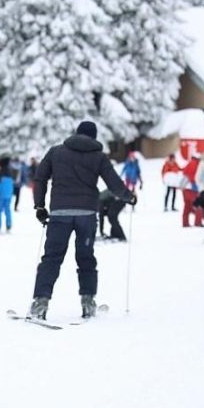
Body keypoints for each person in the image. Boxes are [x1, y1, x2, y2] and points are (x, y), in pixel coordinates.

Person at [29, 121, 134, 320]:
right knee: (86, 257)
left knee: (51, 258)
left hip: (60, 213)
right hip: (86, 214)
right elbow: (113, 182)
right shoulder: (99, 157)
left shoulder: (56, 152)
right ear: (94, 137)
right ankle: (88, 303)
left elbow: (40, 178)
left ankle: (41, 303)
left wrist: (40, 206)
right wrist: (129, 197)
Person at [180, 152, 204, 228]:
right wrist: (195, 184)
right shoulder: (195, 164)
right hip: (192, 188)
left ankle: (185, 223)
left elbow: (184, 172)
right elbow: (193, 175)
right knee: (199, 205)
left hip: (185, 188)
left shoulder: (189, 163)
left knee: (187, 206)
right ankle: (198, 222)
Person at [0, 157, 14, 232]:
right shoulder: (10, 172)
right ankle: (8, 225)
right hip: (9, 194)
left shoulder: (0, 173)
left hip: (1, 194)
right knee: (7, 210)